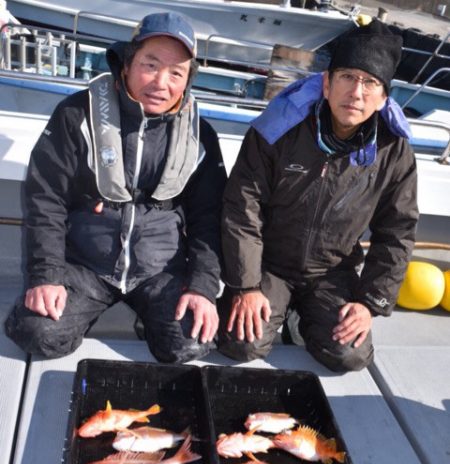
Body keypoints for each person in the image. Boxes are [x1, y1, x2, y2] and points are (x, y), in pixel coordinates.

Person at [4, 12, 227, 362]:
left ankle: (150, 321)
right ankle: (82, 313)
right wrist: (45, 275)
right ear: (126, 63)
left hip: (161, 269)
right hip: (84, 264)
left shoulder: (202, 138)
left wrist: (201, 287)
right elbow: (45, 198)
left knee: (192, 343)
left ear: (187, 81)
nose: (161, 82)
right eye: (150, 65)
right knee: (37, 333)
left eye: (176, 73)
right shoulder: (76, 116)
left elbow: (208, 218)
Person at [218, 19, 419, 372]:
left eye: (370, 82)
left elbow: (397, 232)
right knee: (241, 344)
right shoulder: (279, 130)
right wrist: (246, 285)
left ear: (383, 98)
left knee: (350, 356)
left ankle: (300, 320)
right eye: (347, 77)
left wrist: (368, 303)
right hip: (270, 265)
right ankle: (281, 311)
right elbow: (242, 208)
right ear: (326, 84)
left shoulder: (394, 152)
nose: (356, 92)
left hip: (332, 272)